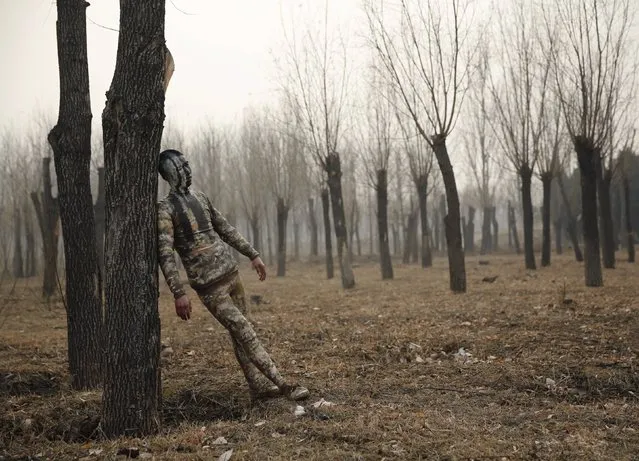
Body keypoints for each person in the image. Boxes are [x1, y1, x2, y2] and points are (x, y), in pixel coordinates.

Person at [156, 148, 309, 402]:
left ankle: (258, 388)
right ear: (170, 173)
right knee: (243, 329)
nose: (188, 169)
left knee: (241, 335)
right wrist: (178, 292)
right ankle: (284, 384)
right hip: (210, 288)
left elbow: (225, 228)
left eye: (187, 164)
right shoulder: (164, 210)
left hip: (232, 277)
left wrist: (253, 254)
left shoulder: (201, 198)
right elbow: (165, 254)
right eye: (182, 166)